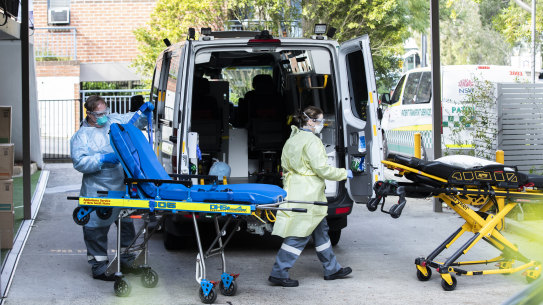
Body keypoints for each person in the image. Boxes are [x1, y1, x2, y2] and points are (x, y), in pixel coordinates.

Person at [70, 95, 154, 281]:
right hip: (97, 188)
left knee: (125, 225)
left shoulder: (112, 120)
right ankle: (99, 265)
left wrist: (144, 110)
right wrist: (102, 159)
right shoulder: (81, 137)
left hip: (120, 186)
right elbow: (80, 162)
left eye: (105, 112)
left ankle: (127, 259)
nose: (103, 117)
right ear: (89, 114)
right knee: (95, 227)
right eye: (99, 114)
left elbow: (133, 120)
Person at [269, 106, 354, 287]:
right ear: (310, 121)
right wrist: (344, 173)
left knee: (321, 231)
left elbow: (284, 165)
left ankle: (332, 268)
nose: (322, 124)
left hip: (296, 188)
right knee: (298, 235)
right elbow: (322, 169)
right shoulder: (313, 141)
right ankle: (278, 272)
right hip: (308, 193)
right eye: (320, 121)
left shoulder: (293, 139)